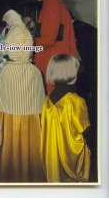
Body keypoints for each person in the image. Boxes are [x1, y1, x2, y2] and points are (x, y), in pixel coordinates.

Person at [0, 9, 45, 182]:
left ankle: (13, 176)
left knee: (13, 147)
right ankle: (33, 174)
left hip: (12, 121)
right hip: (31, 121)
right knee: (32, 144)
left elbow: (0, 105)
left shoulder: (7, 71)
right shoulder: (35, 72)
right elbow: (40, 106)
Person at [40, 54, 91, 183]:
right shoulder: (76, 101)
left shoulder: (47, 99)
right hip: (71, 159)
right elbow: (85, 130)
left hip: (52, 158)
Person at [25, 0, 77, 93]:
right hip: (58, 63)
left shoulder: (51, 4)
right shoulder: (54, 2)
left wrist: (27, 46)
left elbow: (48, 38)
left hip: (52, 65)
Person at [69, 11, 97, 181]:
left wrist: (83, 69)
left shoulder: (80, 29)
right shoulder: (83, 26)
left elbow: (88, 54)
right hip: (90, 71)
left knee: (88, 108)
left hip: (89, 72)